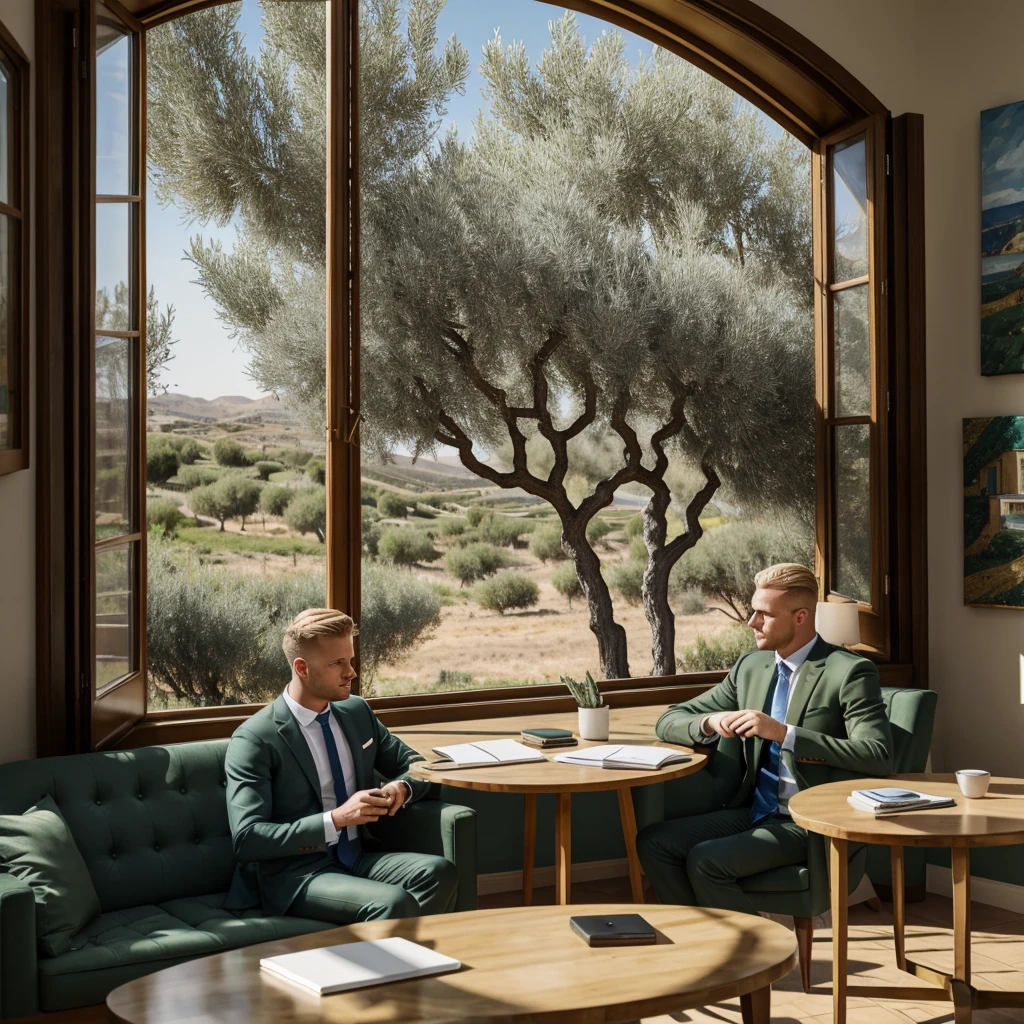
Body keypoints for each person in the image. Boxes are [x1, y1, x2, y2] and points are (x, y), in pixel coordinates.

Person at [636, 563, 891, 914]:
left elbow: (876, 754)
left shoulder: (848, 671)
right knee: (655, 843)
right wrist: (712, 721)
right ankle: (711, 943)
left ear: (800, 617)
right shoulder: (750, 668)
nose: (752, 622)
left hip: (806, 822)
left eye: (764, 614)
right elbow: (670, 719)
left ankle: (756, 954)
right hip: (755, 811)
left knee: (707, 860)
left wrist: (784, 733)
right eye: (753, 611)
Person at [224, 607, 458, 922]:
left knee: (438, 872)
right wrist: (336, 819)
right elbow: (248, 839)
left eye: (350, 660)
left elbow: (419, 766)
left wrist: (401, 787)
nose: (351, 673)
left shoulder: (356, 713)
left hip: (358, 856)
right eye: (337, 663)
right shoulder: (255, 739)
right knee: (392, 902)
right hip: (298, 874)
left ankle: (387, 959)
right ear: (302, 668)